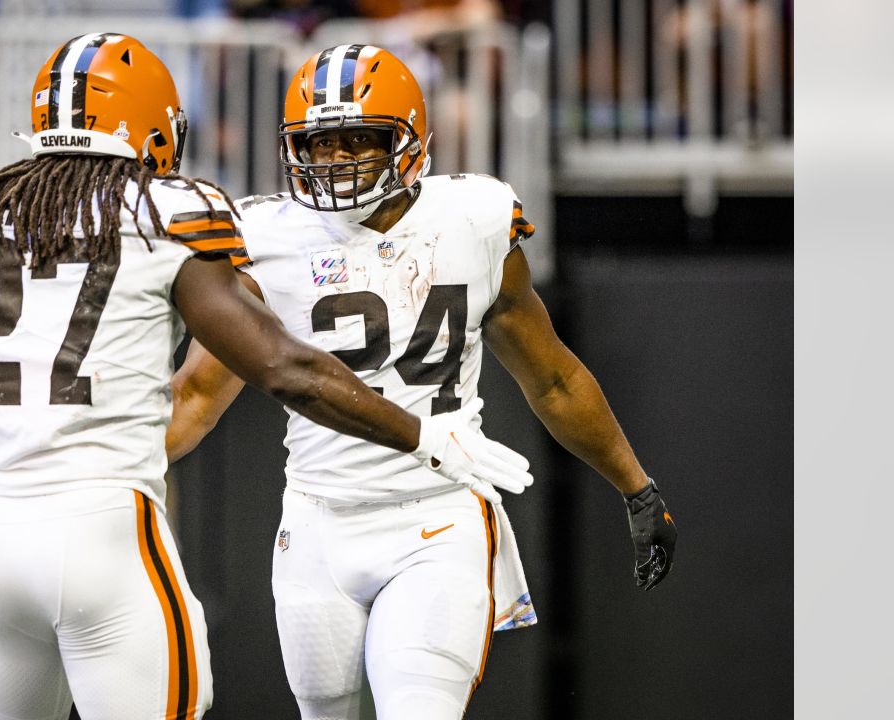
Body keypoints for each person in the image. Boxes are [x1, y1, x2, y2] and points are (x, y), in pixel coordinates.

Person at [0, 33, 533, 720]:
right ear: (152, 130)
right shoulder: (169, 213)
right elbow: (285, 370)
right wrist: (424, 436)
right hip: (106, 531)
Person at [166, 44, 678, 719]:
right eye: (319, 144)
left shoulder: (472, 220)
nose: (336, 160)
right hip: (317, 525)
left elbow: (551, 377)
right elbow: (199, 394)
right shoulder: (266, 236)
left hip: (436, 517)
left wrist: (636, 487)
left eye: (358, 140)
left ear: (408, 140)